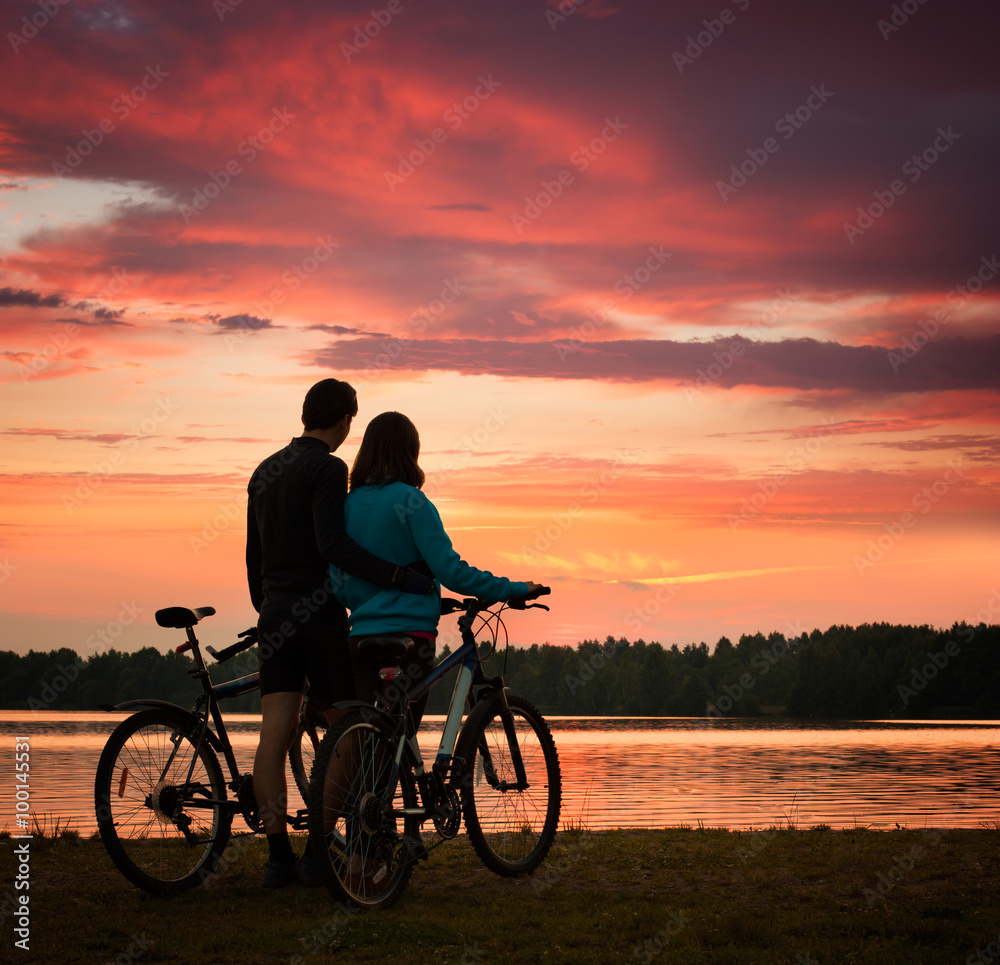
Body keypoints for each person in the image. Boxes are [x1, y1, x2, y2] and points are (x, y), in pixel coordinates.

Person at [246, 380, 433, 889]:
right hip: (320, 615)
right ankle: (318, 855)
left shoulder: (264, 471)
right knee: (351, 732)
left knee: (273, 737)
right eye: (352, 418)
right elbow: (333, 543)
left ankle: (277, 858)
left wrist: (270, 609)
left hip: (275, 614)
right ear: (345, 419)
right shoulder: (328, 468)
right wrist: (396, 576)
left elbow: (253, 562)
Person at [331, 411, 542, 724]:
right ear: (410, 452)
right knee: (401, 736)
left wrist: (375, 602)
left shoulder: (346, 505)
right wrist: (515, 588)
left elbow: (339, 584)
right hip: (411, 639)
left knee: (368, 741)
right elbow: (451, 571)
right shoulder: (412, 501)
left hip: (361, 640)